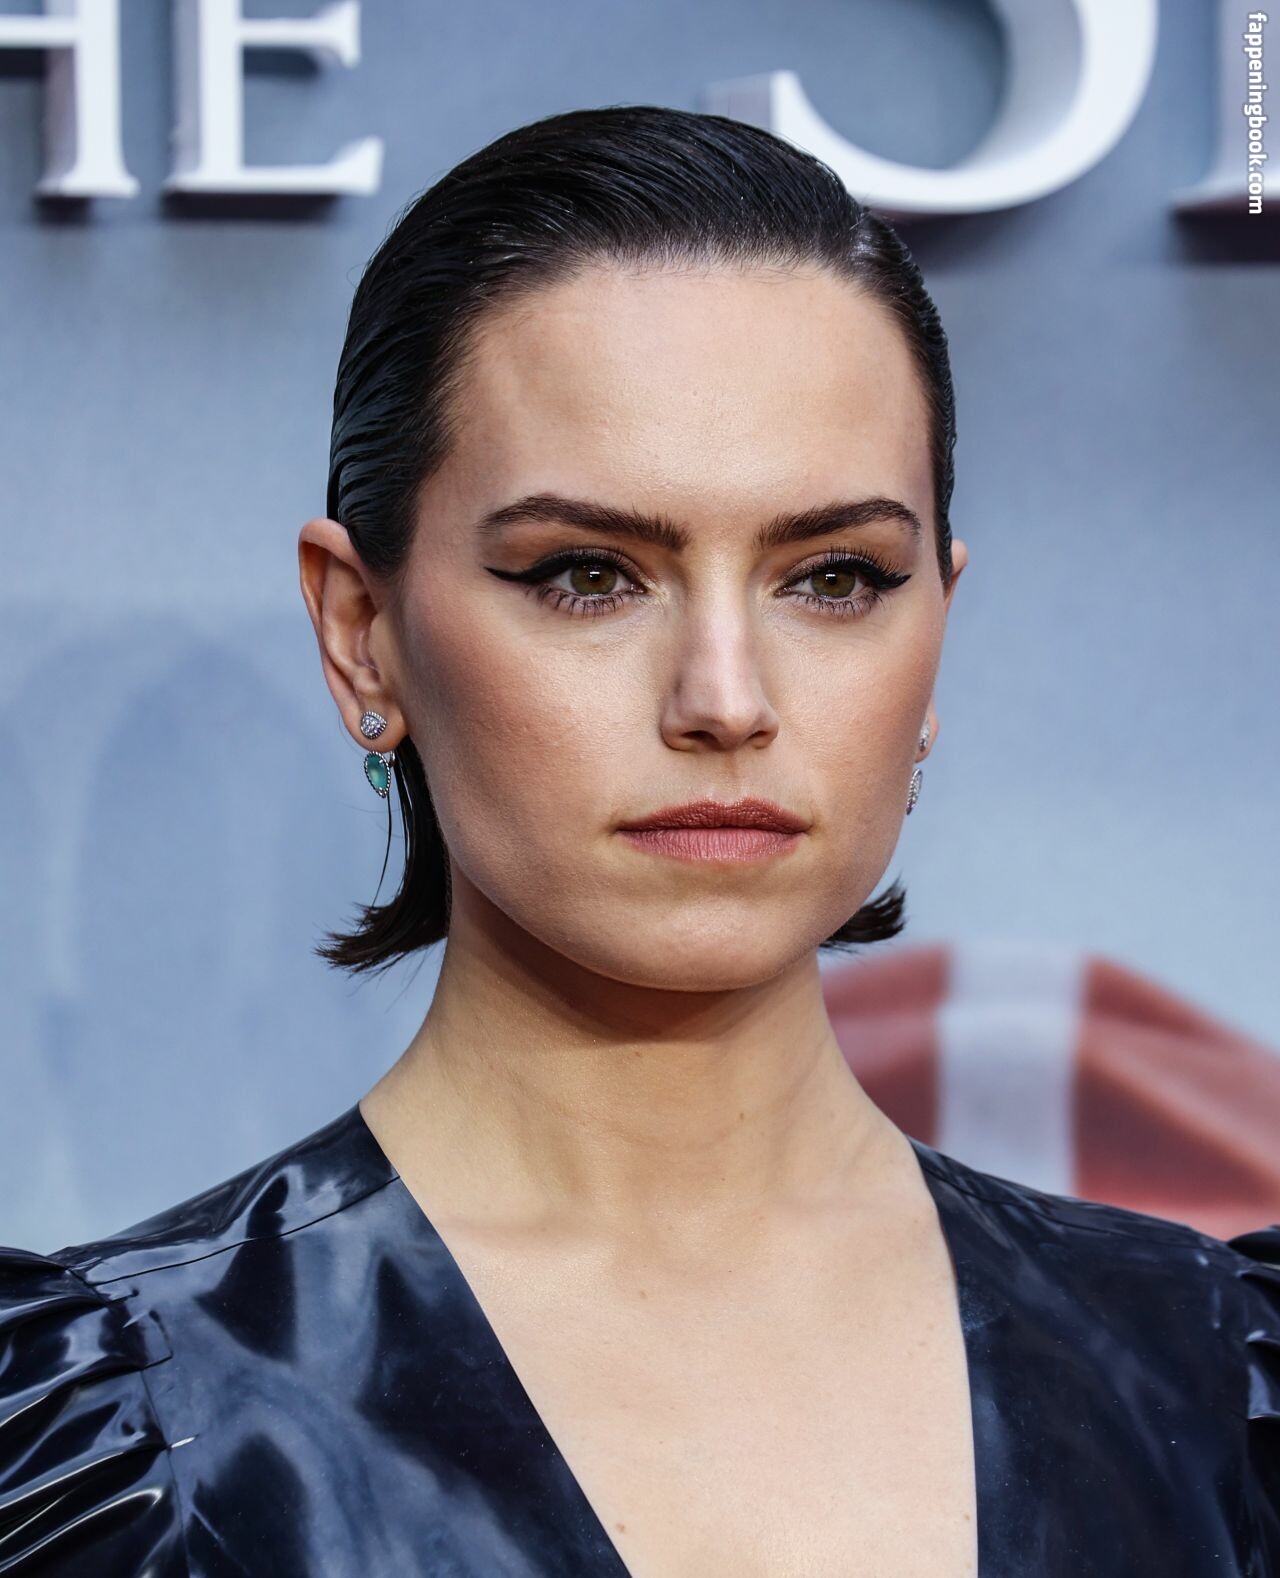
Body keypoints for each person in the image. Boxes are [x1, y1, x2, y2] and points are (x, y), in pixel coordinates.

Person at [1, 104, 1276, 1578]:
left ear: (940, 621)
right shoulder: (106, 1443)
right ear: (362, 634)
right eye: (588, 574)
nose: (725, 699)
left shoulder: (1215, 1386)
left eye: (836, 577)